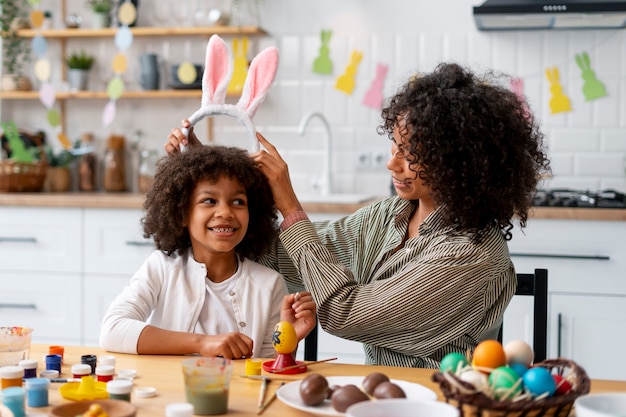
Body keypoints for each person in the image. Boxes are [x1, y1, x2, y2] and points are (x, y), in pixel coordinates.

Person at [165, 62, 550, 368]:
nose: (392, 163)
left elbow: (344, 312)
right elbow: (283, 258)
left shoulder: (470, 257)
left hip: (441, 401)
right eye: (396, 147)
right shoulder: (389, 216)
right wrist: (208, 178)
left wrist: (289, 205)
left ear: (459, 163)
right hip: (380, 394)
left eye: (411, 154)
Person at [100, 145, 317, 359]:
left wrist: (288, 343)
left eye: (238, 202)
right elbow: (113, 330)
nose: (225, 212)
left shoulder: (270, 284)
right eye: (209, 201)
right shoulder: (161, 267)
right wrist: (203, 344)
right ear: (182, 213)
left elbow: (269, 372)